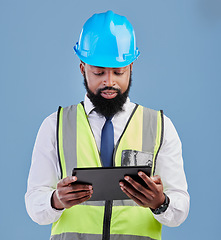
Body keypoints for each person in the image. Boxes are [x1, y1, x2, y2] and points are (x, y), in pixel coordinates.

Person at [25, 10, 190, 240]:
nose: (109, 82)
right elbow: (34, 204)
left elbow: (180, 208)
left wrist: (160, 203)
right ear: (83, 68)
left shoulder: (160, 126)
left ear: (131, 67)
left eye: (118, 72)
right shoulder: (55, 125)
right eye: (99, 72)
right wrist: (56, 200)